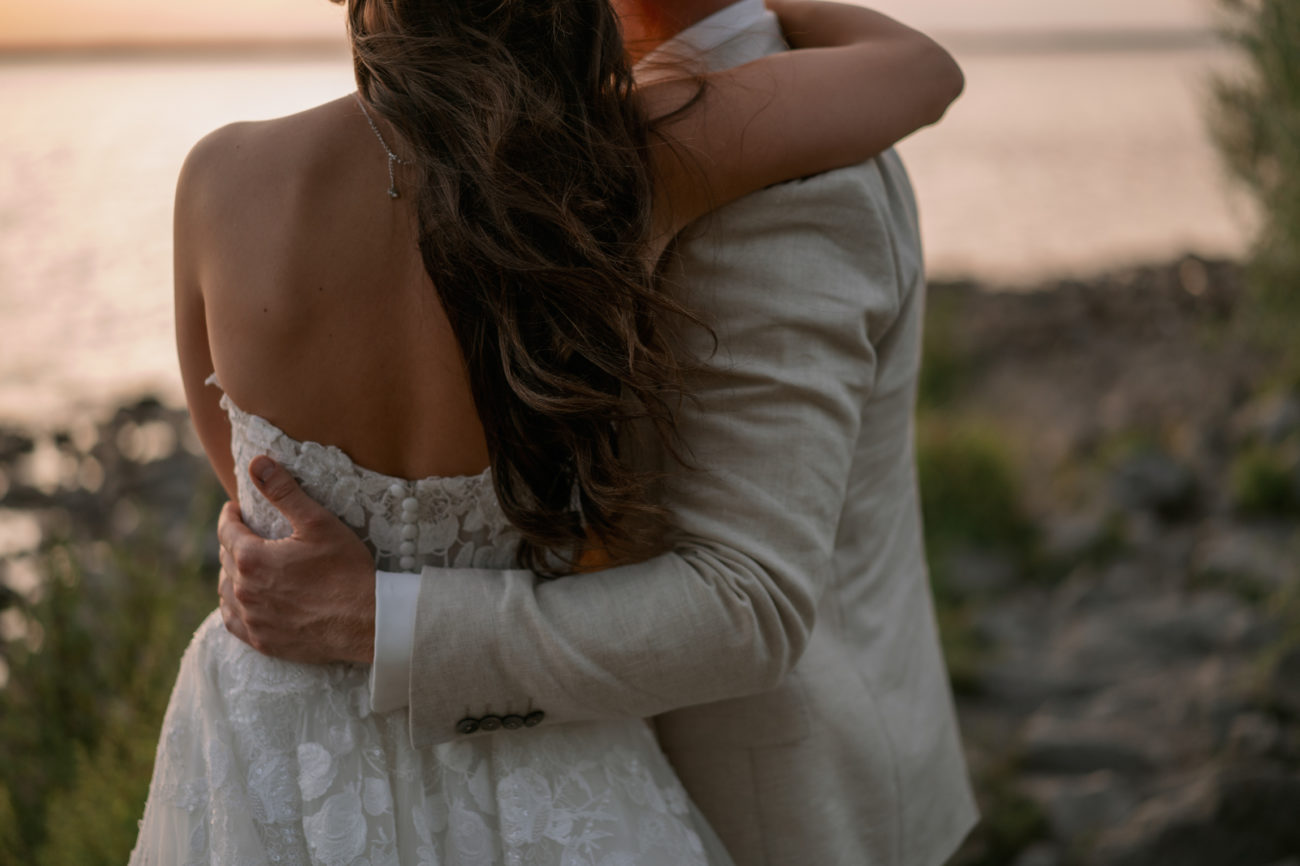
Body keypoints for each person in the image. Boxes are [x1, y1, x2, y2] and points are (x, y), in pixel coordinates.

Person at [135, 0, 970, 863]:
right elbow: (922, 70)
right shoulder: (617, 169)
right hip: (548, 771)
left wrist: (370, 605)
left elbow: (251, 487)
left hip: (280, 745)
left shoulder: (218, 177)